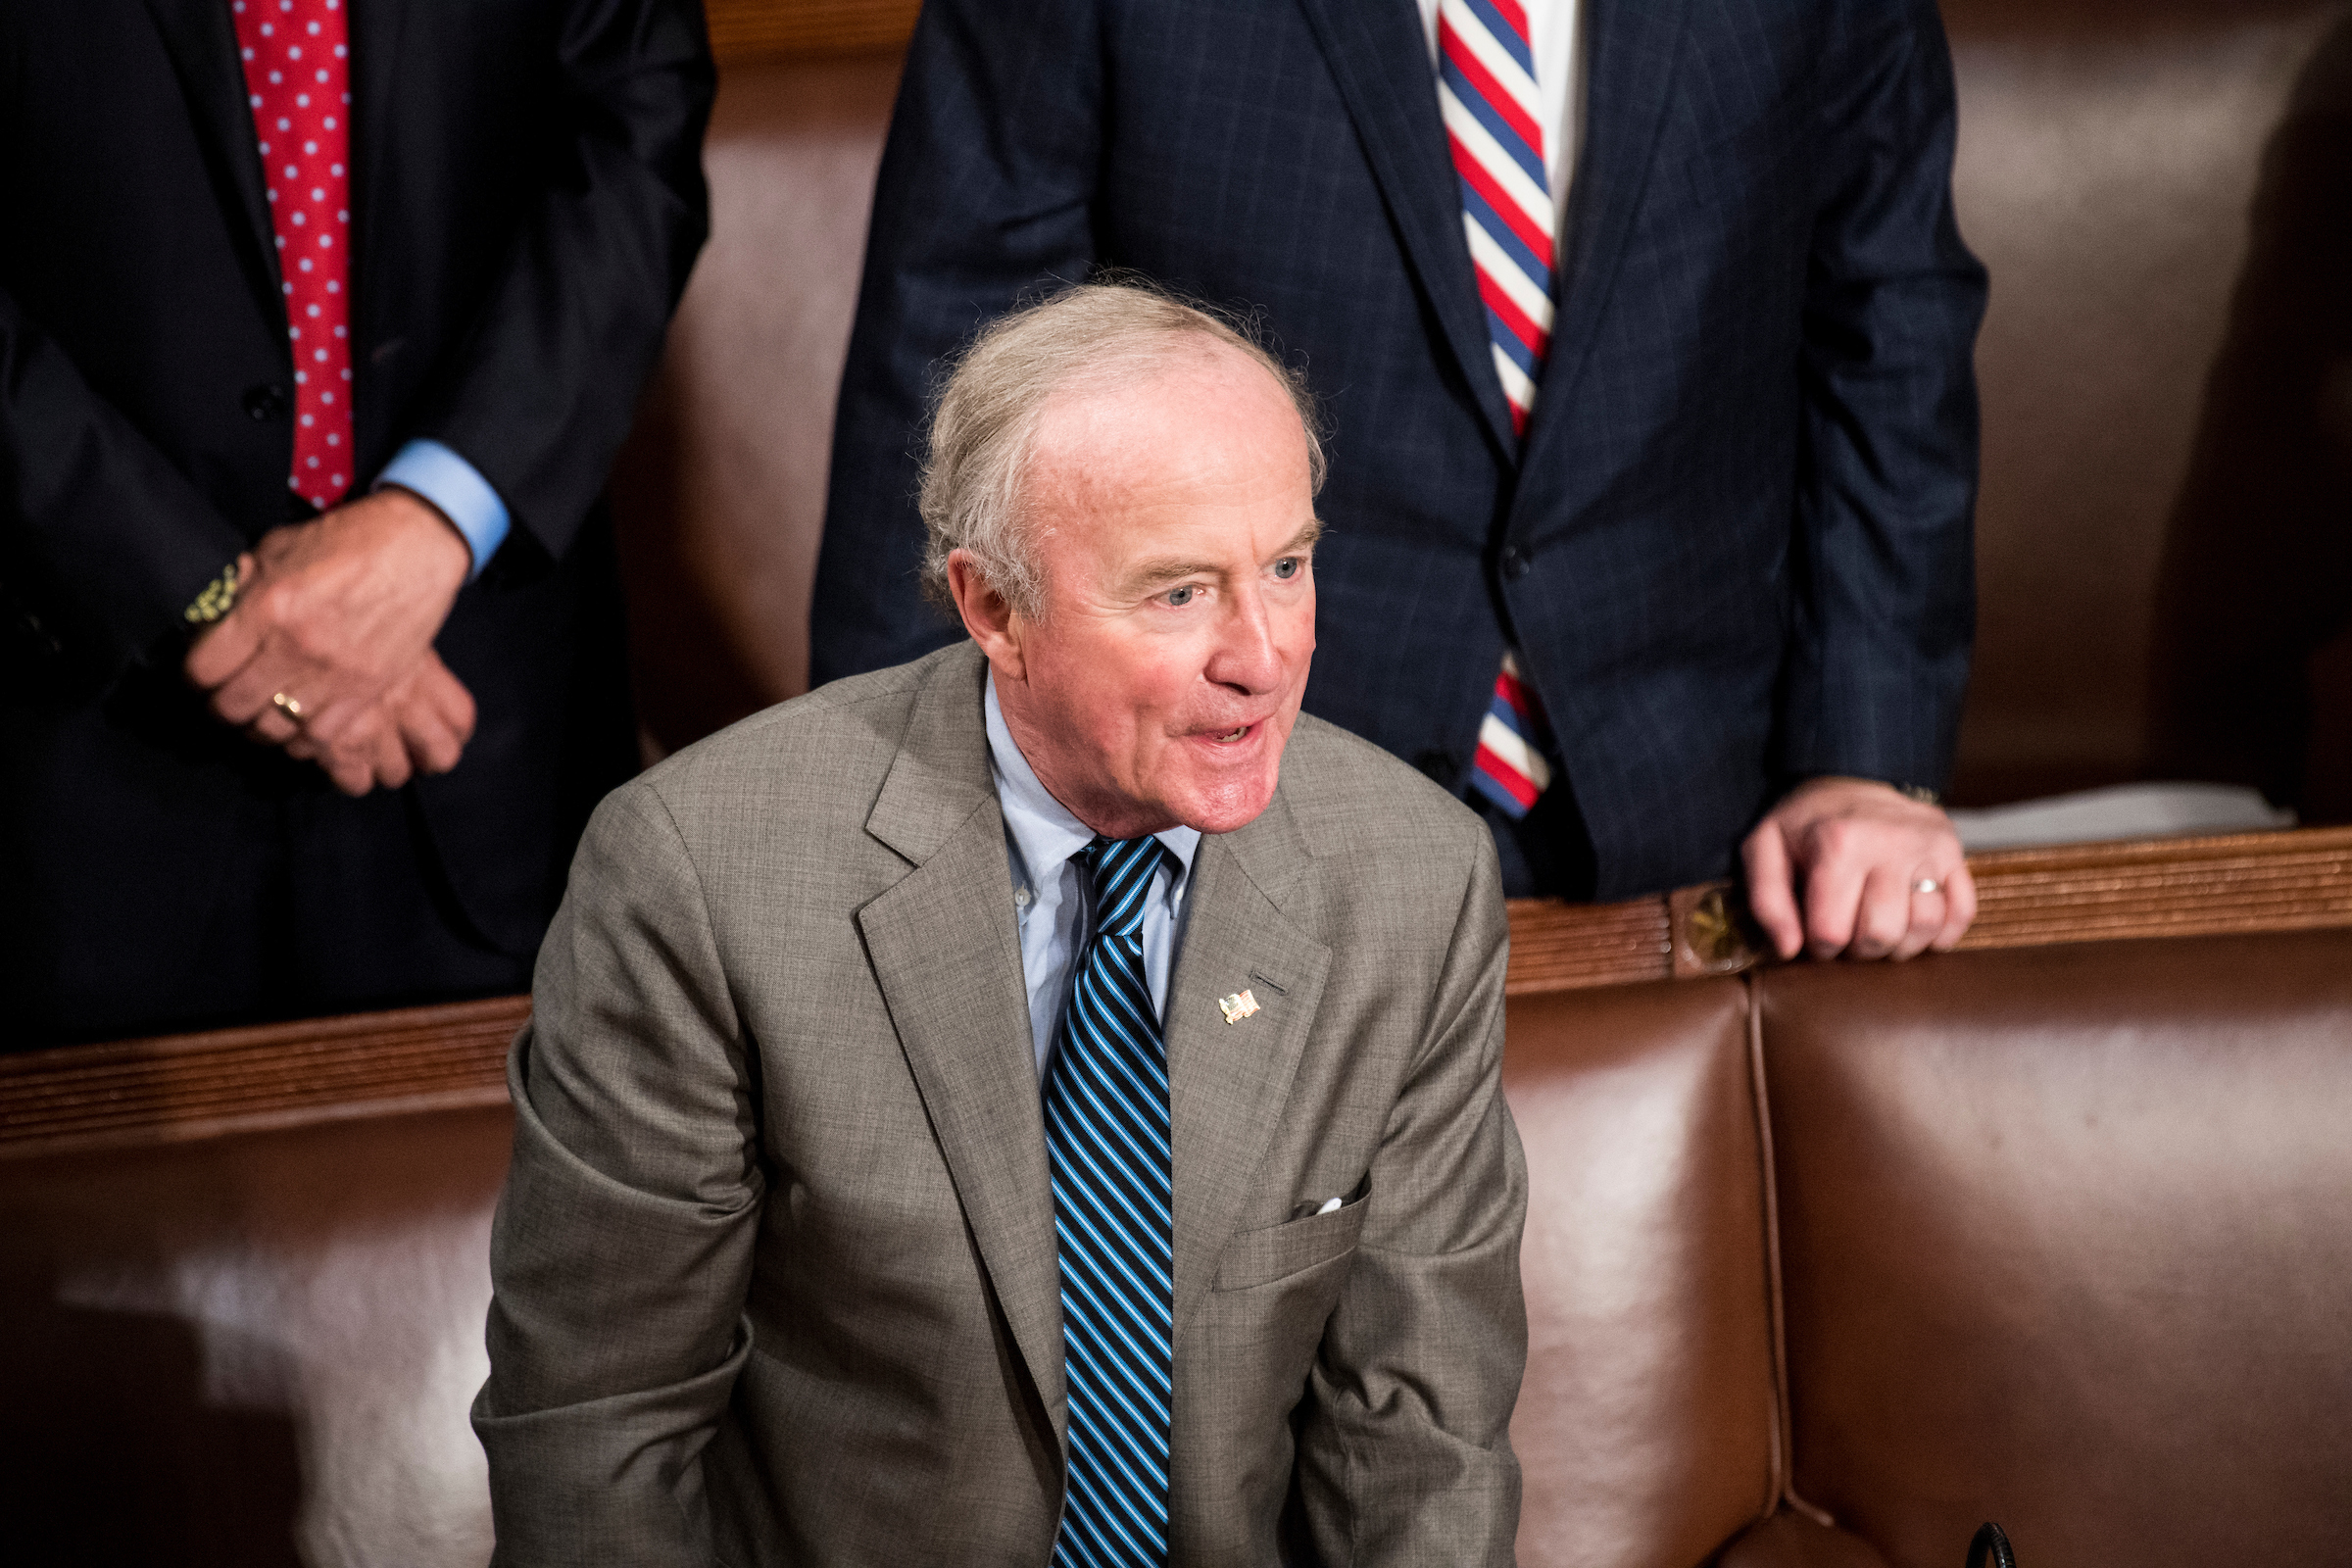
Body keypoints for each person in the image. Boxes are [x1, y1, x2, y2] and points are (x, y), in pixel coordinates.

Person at [474, 284, 1528, 1564]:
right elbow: (599, 1427)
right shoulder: (703, 877)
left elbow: (1421, 1438)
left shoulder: (1414, 879)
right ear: (994, 612)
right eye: (1180, 593)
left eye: (1288, 566)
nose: (1263, 656)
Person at [814, 0, 1988, 964]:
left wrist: (1864, 754)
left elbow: (1888, 321)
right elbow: (961, 387)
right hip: (1231, 828)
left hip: (1716, 828)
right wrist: (914, 847)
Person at [0, 0, 713, 1045]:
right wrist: (194, 587)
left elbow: (640, 105)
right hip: (76, 739)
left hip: (485, 728)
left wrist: (441, 509)